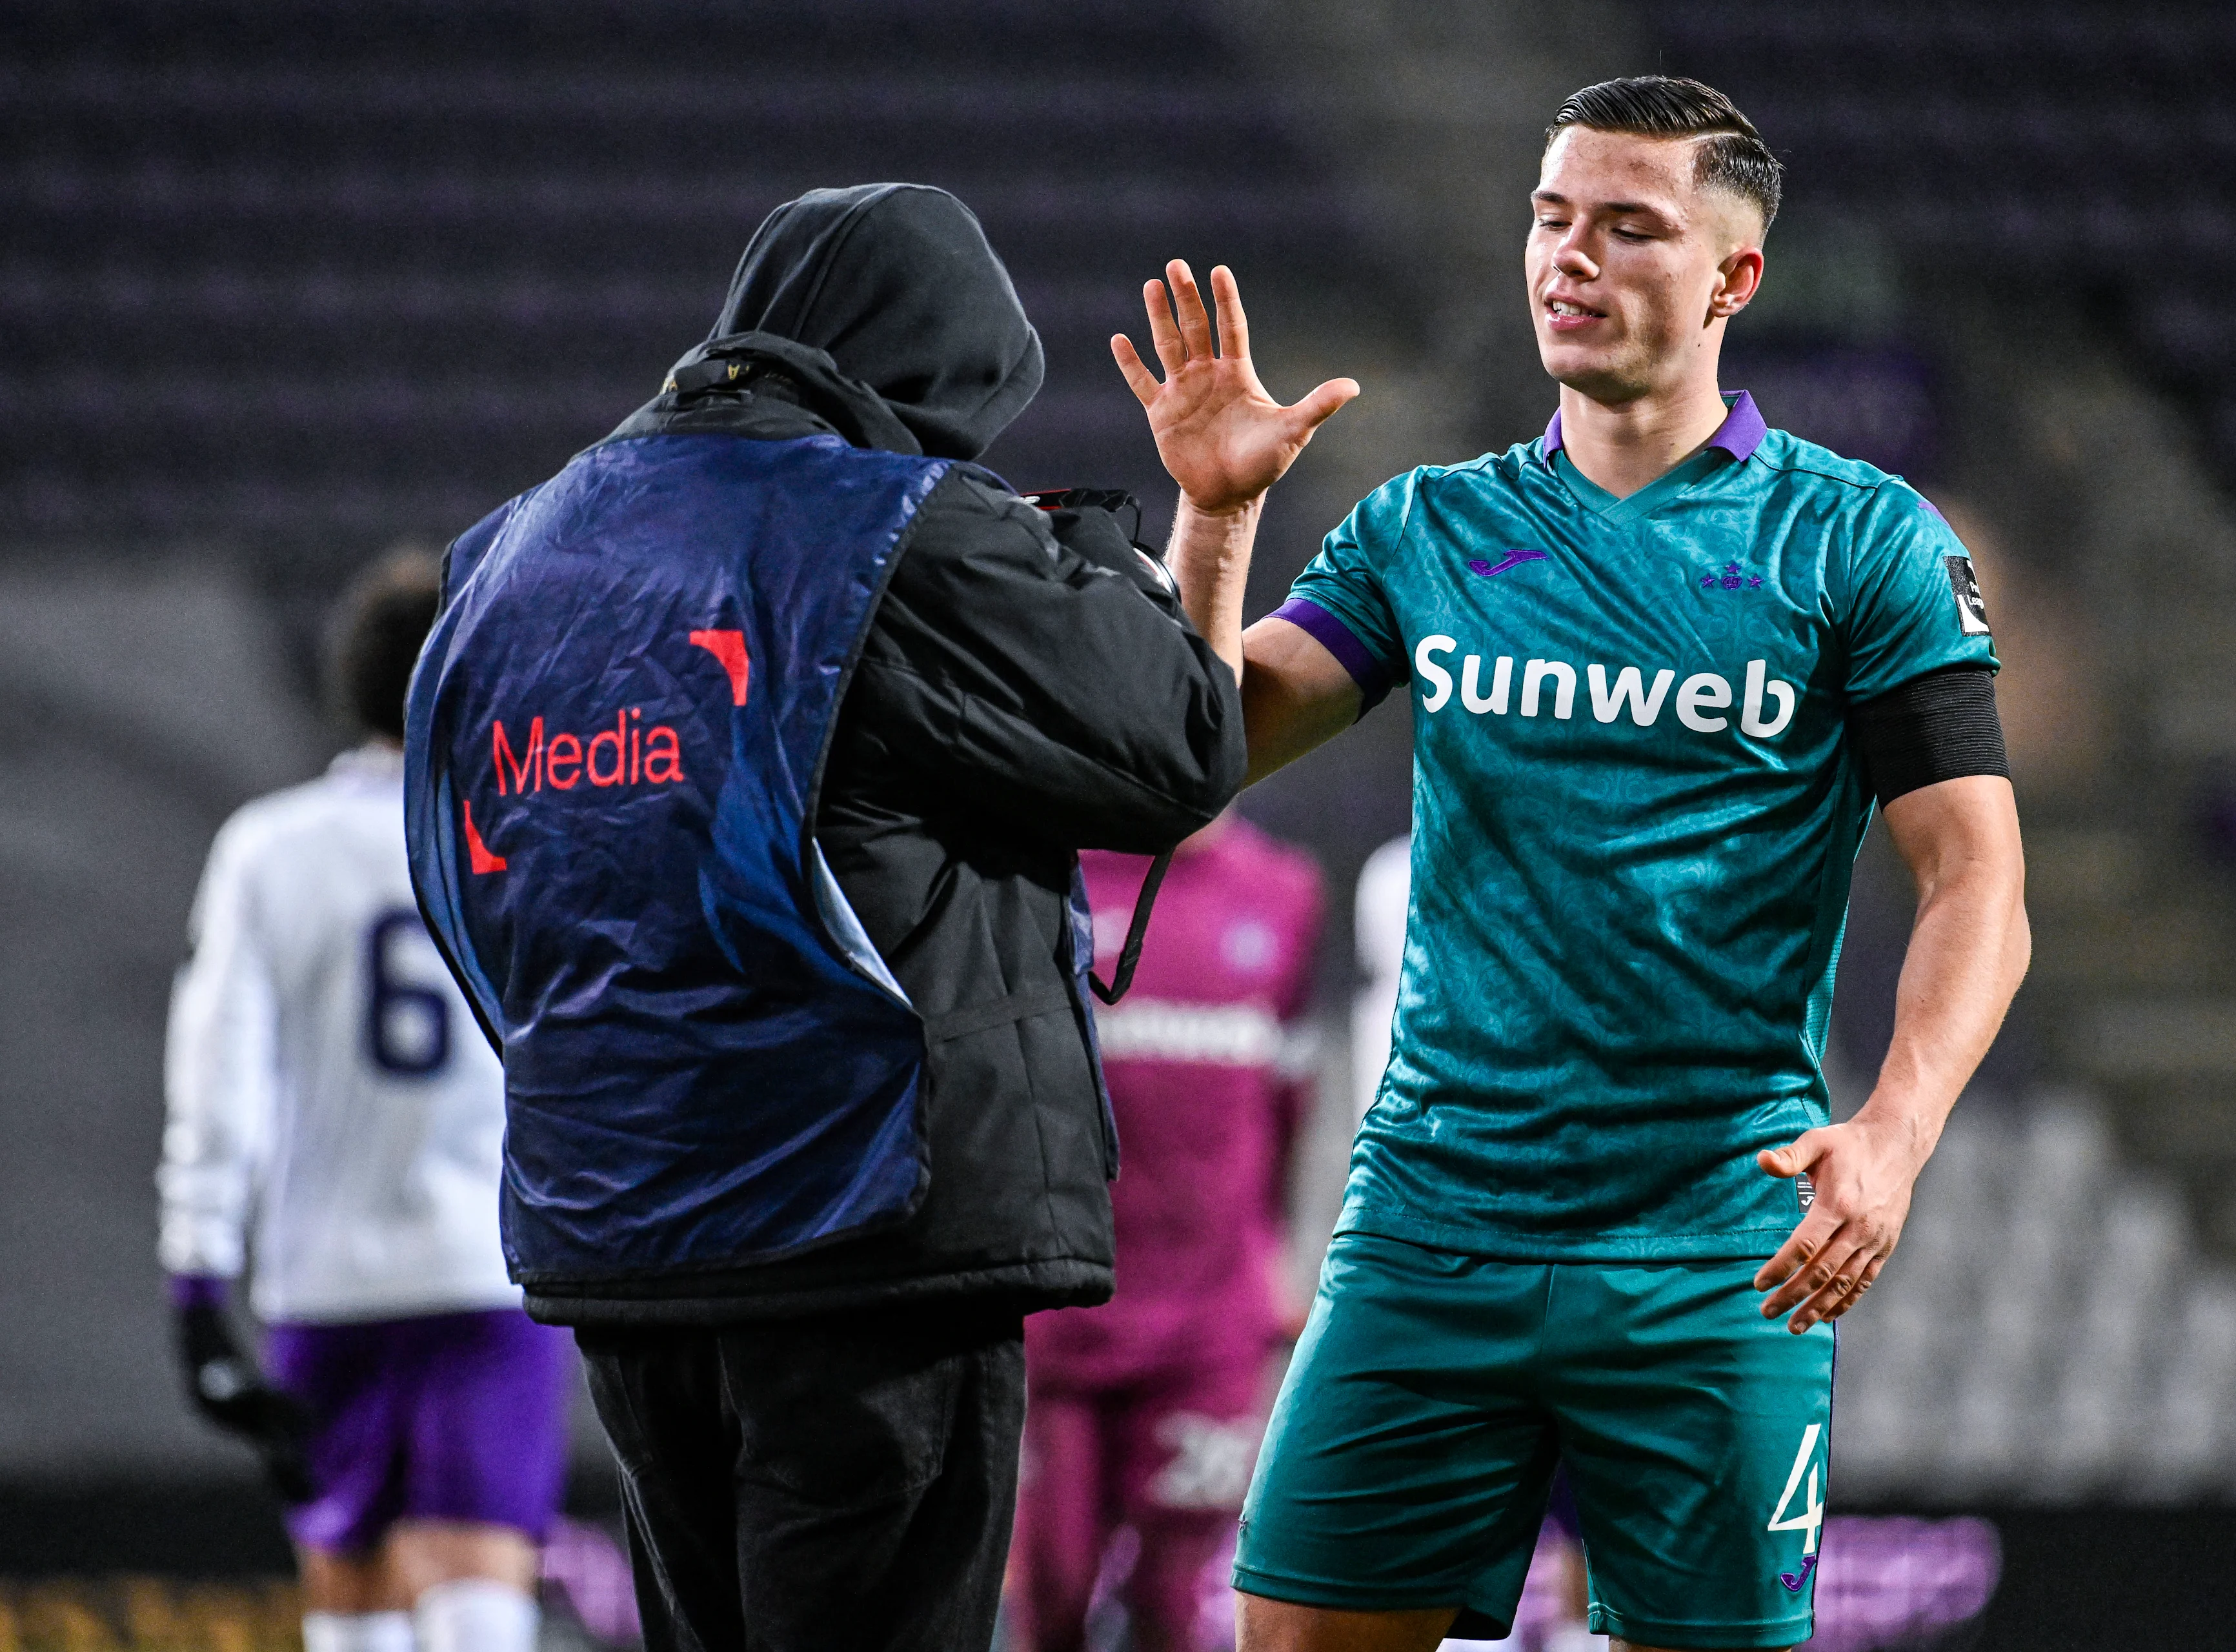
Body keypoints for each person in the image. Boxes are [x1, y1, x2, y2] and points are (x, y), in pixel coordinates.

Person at [1111, 76, 2031, 1652]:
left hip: (1711, 1241)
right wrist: (1216, 524)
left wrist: (1892, 1129)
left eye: (1627, 227)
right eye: (1551, 218)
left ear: (1734, 277)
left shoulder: (1857, 542)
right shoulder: (1429, 530)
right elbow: (1190, 759)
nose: (1569, 257)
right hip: (1430, 1218)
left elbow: (1979, 884)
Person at [399, 186, 1356, 1652]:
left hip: (622, 1231)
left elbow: (467, 879)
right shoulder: (890, 531)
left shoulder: (511, 554)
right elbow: (1175, 751)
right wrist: (1195, 528)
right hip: (865, 1227)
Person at [160, 551, 569, 1652]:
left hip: (324, 1280)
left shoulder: (270, 850)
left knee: (352, 1605)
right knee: (480, 1587)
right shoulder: (534, 837)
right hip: (494, 1270)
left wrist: (197, 1276)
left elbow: (218, 1074)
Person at [1013, 812, 1325, 1652]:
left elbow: (1287, 1103)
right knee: (1053, 1594)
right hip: (1060, 1314)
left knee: (1175, 1601)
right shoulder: (1042, 877)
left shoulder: (1285, 891)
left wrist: (1275, 1254)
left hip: (1209, 1325)